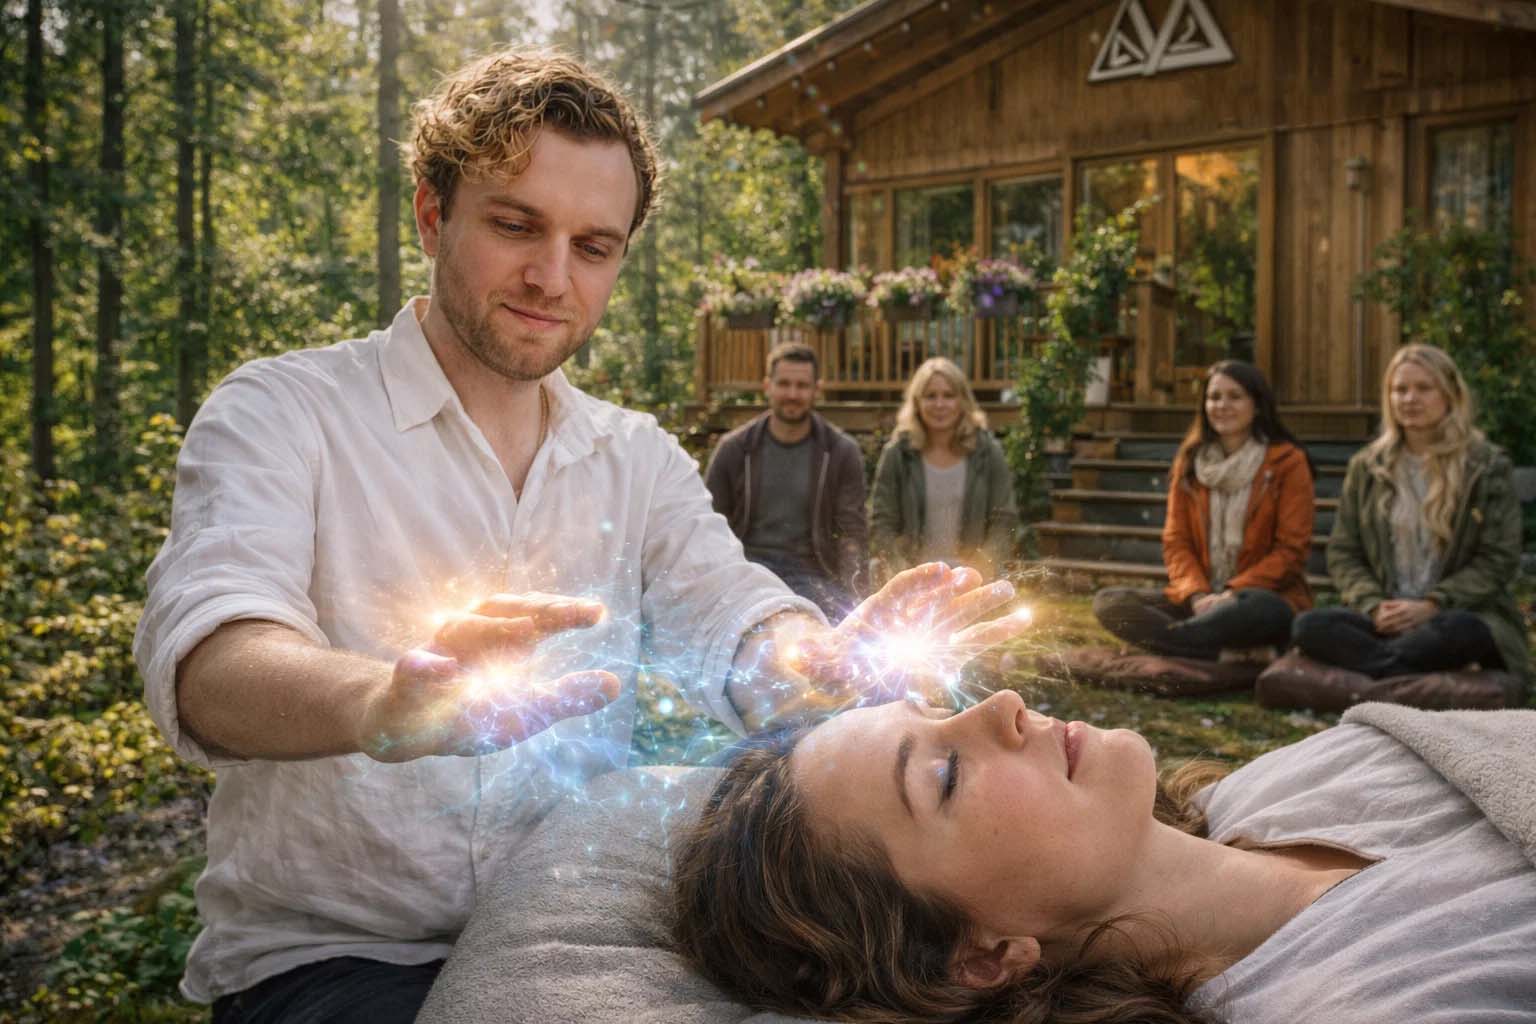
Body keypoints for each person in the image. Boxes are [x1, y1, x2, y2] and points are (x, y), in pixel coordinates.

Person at [132, 48, 1025, 1023]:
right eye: (516, 224)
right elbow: (212, 663)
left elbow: (735, 621)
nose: (552, 277)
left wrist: (826, 659)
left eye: (593, 247)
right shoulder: (283, 412)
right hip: (334, 959)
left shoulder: (634, 457)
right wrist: (380, 704)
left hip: (587, 929)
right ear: (434, 213)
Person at [671, 688, 1536, 1023]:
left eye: (943, 705)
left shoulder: (1305, 774)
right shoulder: (1390, 1007)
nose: (1003, 704)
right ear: (979, 955)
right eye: (944, 774)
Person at [1292, 344, 1530, 684]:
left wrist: (1433, 604)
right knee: (1308, 626)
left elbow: (1498, 558)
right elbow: (1345, 552)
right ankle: (1405, 668)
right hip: (1386, 618)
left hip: (1456, 615)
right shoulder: (1368, 467)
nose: (1409, 399)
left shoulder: (1486, 465)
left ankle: (1380, 670)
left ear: (1449, 395)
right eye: (1399, 389)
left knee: (1465, 631)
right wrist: (1374, 606)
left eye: (1423, 388)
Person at [1093, 361, 1315, 662]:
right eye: (1214, 397)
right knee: (1110, 603)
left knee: (1267, 610)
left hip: (1255, 599)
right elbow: (1176, 541)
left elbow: (1290, 551)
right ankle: (1223, 652)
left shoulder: (1288, 462)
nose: (1222, 405)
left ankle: (1178, 643)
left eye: (1234, 396)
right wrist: (1197, 595)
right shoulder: (1189, 462)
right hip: (1199, 599)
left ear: (1257, 405)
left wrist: (1231, 594)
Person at [704, 341, 868, 620]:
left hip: (815, 579)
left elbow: (851, 534)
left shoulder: (840, 451)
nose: (792, 394)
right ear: (768, 386)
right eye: (784, 384)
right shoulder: (735, 449)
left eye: (802, 386)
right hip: (748, 576)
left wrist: (857, 597)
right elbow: (708, 526)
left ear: (817, 389)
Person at [869, 357, 1019, 584]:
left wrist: (978, 572)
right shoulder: (898, 455)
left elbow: (1004, 521)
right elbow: (882, 523)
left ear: (962, 401)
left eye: (948, 395)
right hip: (912, 578)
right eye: (930, 396)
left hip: (971, 579)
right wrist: (902, 574)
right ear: (917, 402)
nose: (939, 404)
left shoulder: (988, 453)